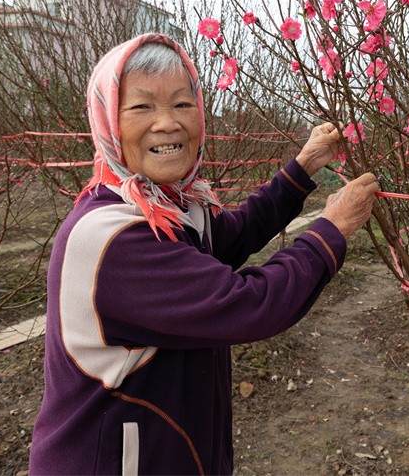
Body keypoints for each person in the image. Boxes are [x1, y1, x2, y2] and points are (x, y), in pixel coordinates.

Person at [28, 33, 378, 475]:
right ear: (108, 121)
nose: (167, 123)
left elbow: (234, 234)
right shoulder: (113, 238)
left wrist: (303, 168)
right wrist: (332, 230)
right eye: (141, 107)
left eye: (181, 103)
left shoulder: (169, 205)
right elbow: (247, 304)